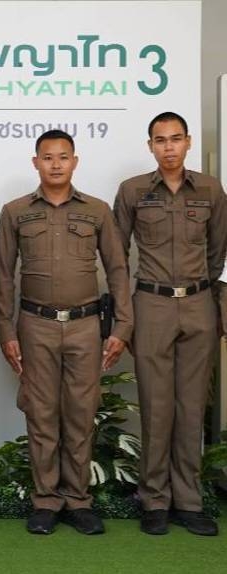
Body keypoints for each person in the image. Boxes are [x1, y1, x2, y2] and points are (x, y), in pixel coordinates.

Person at [0, 129, 133, 535]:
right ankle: (46, 501)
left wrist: (122, 326)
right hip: (34, 325)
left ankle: (78, 500)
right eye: (48, 157)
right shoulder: (15, 212)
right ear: (35, 162)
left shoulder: (98, 210)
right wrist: (6, 331)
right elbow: (4, 277)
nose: (56, 164)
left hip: (85, 327)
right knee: (41, 415)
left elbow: (118, 270)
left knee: (80, 414)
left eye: (63, 157)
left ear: (75, 161)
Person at [114, 112, 227, 536]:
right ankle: (154, 500)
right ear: (150, 146)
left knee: (192, 406)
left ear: (188, 142)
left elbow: (219, 251)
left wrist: (215, 303)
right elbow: (117, 256)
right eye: (160, 140)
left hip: (199, 303)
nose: (169, 147)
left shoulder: (211, 190)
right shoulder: (133, 191)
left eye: (176, 139)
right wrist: (124, 315)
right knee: (156, 406)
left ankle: (189, 502)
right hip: (152, 303)